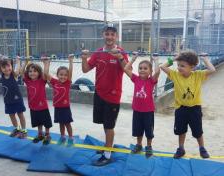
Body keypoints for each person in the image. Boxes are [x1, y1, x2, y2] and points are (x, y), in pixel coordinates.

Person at [81, 24, 128, 166]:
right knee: (104, 123)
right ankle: (108, 147)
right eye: (107, 34)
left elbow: (127, 69)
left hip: (113, 96)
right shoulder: (98, 52)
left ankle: (107, 155)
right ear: (103, 35)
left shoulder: (121, 52)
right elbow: (85, 70)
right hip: (99, 93)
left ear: (116, 37)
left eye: (112, 35)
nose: (109, 37)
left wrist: (119, 57)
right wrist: (84, 58)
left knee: (109, 126)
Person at [160, 51, 216, 159]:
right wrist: (174, 59)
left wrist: (205, 59)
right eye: (178, 65)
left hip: (195, 109)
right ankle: (181, 148)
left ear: (192, 67)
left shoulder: (198, 75)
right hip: (181, 108)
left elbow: (212, 70)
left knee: (198, 131)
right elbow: (162, 66)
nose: (179, 68)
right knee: (181, 130)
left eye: (183, 66)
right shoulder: (176, 75)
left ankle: (202, 148)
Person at [124, 52, 160, 157]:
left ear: (150, 71)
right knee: (138, 130)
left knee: (149, 131)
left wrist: (156, 60)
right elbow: (126, 69)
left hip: (148, 111)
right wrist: (133, 58)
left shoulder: (151, 80)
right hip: (137, 110)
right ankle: (139, 145)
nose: (142, 70)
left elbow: (158, 71)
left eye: (145, 68)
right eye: (140, 68)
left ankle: (149, 146)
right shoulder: (136, 79)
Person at [0, 56, 27, 138]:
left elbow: (17, 71)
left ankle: (24, 131)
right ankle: (17, 129)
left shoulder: (14, 74)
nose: (6, 69)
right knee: (11, 115)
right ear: (0, 68)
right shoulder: (1, 74)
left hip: (17, 99)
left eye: (8, 66)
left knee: (20, 115)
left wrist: (18, 61)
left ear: (11, 66)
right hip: (8, 101)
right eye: (4, 67)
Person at [43, 55, 74, 145]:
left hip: (65, 108)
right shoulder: (55, 82)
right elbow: (45, 74)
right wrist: (47, 63)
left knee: (67, 124)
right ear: (57, 75)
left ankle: (71, 138)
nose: (63, 77)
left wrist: (70, 61)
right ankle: (63, 137)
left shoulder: (67, 83)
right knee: (61, 123)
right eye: (61, 74)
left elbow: (70, 72)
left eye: (65, 75)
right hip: (57, 107)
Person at [20, 59, 52, 145]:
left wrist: (46, 63)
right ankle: (40, 134)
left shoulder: (41, 80)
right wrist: (25, 62)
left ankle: (47, 135)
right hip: (33, 106)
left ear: (39, 73)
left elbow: (45, 73)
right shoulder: (28, 80)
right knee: (38, 122)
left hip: (42, 106)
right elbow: (21, 72)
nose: (32, 73)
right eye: (30, 71)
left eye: (35, 71)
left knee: (46, 122)